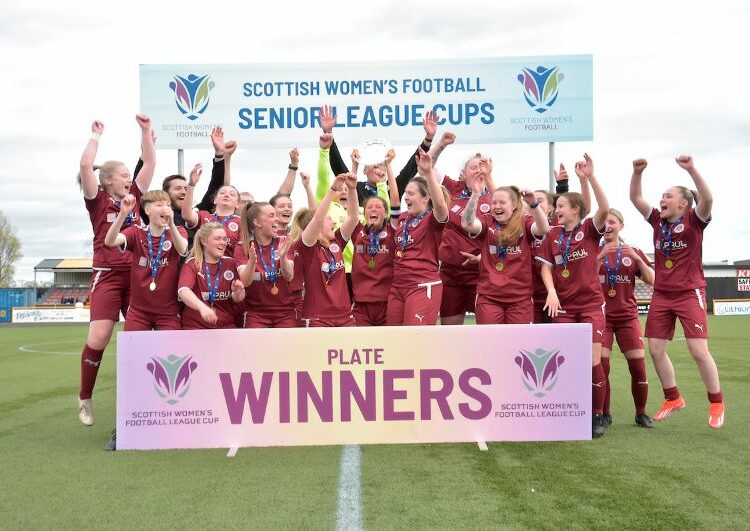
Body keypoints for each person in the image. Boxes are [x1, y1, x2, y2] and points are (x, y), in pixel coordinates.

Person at [629, 156, 724, 429]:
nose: (662, 199)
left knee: (698, 350)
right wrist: (638, 173)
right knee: (656, 349)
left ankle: (716, 402)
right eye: (661, 196)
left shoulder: (696, 220)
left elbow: (708, 198)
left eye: (667, 196)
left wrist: (691, 169)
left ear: (683, 203)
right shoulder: (658, 221)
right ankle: (673, 398)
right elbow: (636, 198)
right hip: (662, 294)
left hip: (689, 292)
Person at [76, 115, 155, 426]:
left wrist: (146, 131)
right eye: (122, 175)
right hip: (107, 275)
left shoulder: (135, 196)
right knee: (99, 336)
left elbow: (148, 163)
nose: (127, 178)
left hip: (136, 275)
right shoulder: (97, 201)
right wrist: (95, 136)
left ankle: (146, 401)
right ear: (107, 180)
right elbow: (85, 168)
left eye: (128, 175)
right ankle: (85, 398)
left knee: (141, 338)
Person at [536, 153, 610, 438]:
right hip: (564, 307)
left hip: (590, 305)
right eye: (556, 206)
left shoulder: (590, 230)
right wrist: (552, 293)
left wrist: (589, 177)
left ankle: (598, 415)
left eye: (562, 206)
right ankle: (569, 411)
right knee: (566, 361)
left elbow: (604, 207)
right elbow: (546, 269)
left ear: (577, 210)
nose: (556, 210)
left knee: (592, 361)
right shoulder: (552, 235)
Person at [461, 179, 550, 324]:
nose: (497, 206)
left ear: (514, 205)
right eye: (494, 202)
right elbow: (467, 224)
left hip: (520, 299)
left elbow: (543, 229)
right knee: (490, 343)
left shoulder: (524, 222)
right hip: (489, 297)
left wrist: (534, 204)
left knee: (519, 345)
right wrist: (475, 195)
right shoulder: (487, 221)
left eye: (502, 203)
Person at [597, 208, 655, 428]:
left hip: (627, 317)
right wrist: (599, 257)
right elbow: (584, 280)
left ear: (621, 225)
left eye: (612, 221)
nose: (607, 225)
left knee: (638, 367)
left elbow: (653, 280)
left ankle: (641, 413)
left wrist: (639, 261)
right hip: (601, 317)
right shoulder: (593, 250)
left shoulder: (634, 251)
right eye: (604, 222)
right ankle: (604, 413)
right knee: (602, 367)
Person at [104, 190, 188, 331]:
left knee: (169, 352)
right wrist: (122, 214)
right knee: (134, 352)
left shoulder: (177, 230)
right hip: (139, 312)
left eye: (168, 205)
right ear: (147, 210)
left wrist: (172, 225)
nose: (166, 208)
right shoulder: (136, 232)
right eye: (160, 205)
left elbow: (182, 249)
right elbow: (109, 241)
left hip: (168, 312)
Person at [387, 149, 450, 326]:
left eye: (411, 194)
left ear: (425, 198)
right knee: (394, 338)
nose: (406, 197)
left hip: (422, 286)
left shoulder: (433, 220)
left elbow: (440, 205)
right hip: (398, 287)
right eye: (406, 193)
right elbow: (394, 198)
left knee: (415, 339)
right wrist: (388, 166)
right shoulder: (402, 220)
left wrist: (429, 173)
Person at [296, 173, 360, 327]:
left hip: (345, 317)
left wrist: (352, 189)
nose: (333, 221)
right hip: (318, 319)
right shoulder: (307, 247)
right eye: (329, 218)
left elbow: (353, 218)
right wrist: (332, 190)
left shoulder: (336, 241)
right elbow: (318, 218)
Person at [350, 149, 401, 326]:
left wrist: (388, 165)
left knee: (391, 348)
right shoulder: (358, 232)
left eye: (378, 207)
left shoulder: (393, 230)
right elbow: (352, 203)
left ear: (386, 213)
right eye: (369, 207)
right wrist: (354, 167)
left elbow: (394, 199)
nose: (373, 209)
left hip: (388, 303)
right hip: (361, 306)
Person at [235, 202, 296, 328]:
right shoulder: (243, 247)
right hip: (256, 314)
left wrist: (283, 257)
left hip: (285, 312)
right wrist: (252, 262)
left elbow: (289, 276)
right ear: (258, 223)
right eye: (271, 215)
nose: (277, 219)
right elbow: (245, 282)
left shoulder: (283, 241)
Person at [178, 222, 245, 329]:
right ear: (204, 241)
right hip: (196, 326)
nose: (223, 242)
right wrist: (202, 307)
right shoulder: (193, 264)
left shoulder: (231, 263)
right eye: (217, 239)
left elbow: (237, 299)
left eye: (224, 239)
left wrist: (238, 294)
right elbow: (183, 291)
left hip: (225, 326)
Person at [181, 163, 241, 257]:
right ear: (215, 200)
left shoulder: (241, 222)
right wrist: (191, 186)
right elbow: (186, 215)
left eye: (232, 194)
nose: (226, 195)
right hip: (204, 268)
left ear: (237, 204)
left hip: (230, 268)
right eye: (222, 193)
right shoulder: (205, 216)